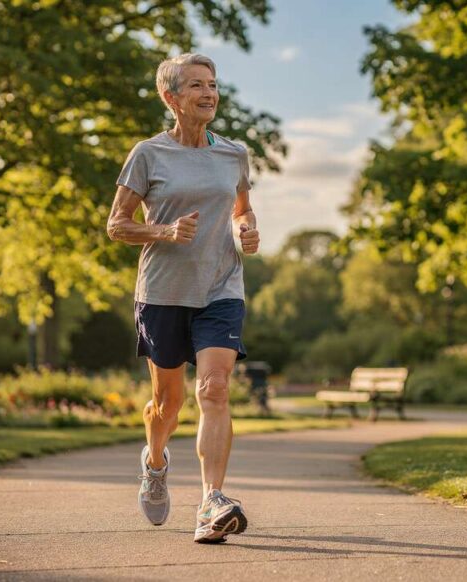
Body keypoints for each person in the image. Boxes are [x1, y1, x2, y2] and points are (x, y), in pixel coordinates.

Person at [106, 53, 260, 544]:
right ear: (171, 97)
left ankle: (211, 501)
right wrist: (165, 231)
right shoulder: (147, 153)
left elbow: (242, 210)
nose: (209, 93)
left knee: (214, 388)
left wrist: (246, 230)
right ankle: (155, 462)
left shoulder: (234, 154)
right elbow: (117, 225)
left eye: (213, 84)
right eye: (196, 85)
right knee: (166, 405)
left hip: (221, 288)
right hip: (163, 292)